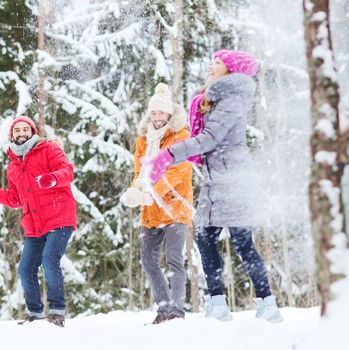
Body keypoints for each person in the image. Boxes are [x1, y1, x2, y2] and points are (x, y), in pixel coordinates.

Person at [143, 50, 283, 323]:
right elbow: (203, 145)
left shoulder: (232, 99)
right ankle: (218, 303)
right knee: (206, 238)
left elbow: (210, 138)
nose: (211, 65)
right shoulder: (213, 100)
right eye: (212, 61)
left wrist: (169, 155)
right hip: (216, 179)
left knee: (242, 243)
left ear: (231, 71)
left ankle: (266, 303)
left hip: (234, 179)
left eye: (218, 63)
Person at [0, 116, 77, 327]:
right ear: (12, 135)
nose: (22, 133)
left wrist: (52, 178)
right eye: (17, 130)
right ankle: (35, 313)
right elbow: (14, 199)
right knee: (26, 269)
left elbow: (67, 171)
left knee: (49, 259)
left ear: (32, 132)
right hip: (34, 225)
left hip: (59, 215)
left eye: (26, 129)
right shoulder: (13, 167)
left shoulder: (48, 149)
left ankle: (56, 312)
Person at [121, 83, 193, 324]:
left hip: (174, 208)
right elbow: (139, 170)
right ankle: (164, 309)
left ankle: (178, 311)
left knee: (174, 259)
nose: (157, 117)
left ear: (170, 114)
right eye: (153, 113)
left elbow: (178, 172)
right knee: (149, 259)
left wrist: (151, 191)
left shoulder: (181, 136)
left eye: (161, 113)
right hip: (150, 210)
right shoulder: (143, 140)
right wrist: (135, 191)